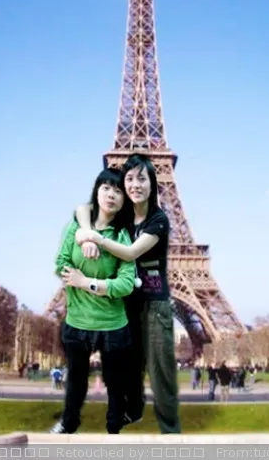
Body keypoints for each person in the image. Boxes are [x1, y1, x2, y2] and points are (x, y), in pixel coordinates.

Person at [75, 154, 181, 434]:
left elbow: (132, 252)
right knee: (126, 367)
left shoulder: (159, 219)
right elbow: (84, 208)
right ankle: (132, 410)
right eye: (129, 179)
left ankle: (171, 434)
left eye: (141, 179)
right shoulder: (121, 216)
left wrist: (95, 238)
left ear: (152, 183)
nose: (135, 185)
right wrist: (85, 230)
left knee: (160, 374)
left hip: (154, 305)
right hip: (125, 305)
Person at [49, 168, 136, 435]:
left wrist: (85, 282)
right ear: (97, 190)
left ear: (124, 199)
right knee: (76, 380)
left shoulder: (122, 237)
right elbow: (60, 263)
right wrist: (85, 237)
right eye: (106, 188)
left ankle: (114, 431)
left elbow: (126, 283)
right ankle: (68, 423)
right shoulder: (75, 226)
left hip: (112, 324)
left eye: (118, 191)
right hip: (78, 320)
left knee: (115, 383)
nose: (111, 195)